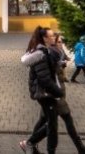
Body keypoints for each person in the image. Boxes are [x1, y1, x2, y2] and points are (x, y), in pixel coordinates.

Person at [19, 26, 63, 154]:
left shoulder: (46, 51)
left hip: (45, 93)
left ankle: (30, 143)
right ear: (45, 38)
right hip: (44, 93)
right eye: (51, 36)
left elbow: (47, 71)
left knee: (50, 123)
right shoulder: (41, 54)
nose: (54, 37)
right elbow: (44, 79)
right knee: (52, 125)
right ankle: (30, 143)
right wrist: (58, 92)